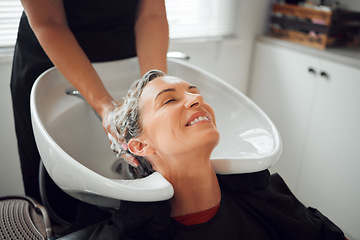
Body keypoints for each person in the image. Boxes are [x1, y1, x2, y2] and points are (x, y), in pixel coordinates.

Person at [104, 70, 346, 240]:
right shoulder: (137, 233)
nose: (197, 99)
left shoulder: (267, 196)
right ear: (139, 147)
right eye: (168, 100)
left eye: (195, 92)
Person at [10, 0, 169, 205]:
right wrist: (104, 106)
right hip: (53, 58)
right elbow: (49, 22)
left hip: (127, 52)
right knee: (60, 200)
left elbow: (152, 15)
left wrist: (154, 91)